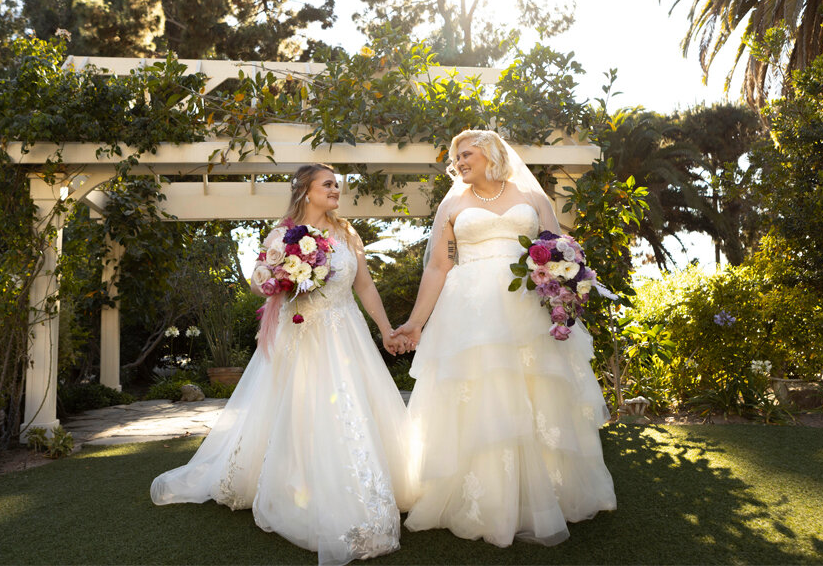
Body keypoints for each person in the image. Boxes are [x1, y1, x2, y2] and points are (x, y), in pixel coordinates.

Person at [151, 164, 414, 565]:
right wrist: (278, 276)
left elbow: (364, 285)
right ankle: (302, 488)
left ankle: (368, 483)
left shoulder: (347, 233)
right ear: (306, 191)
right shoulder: (281, 235)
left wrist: (385, 328)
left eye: (336, 185)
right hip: (301, 336)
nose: (335, 190)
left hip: (346, 334)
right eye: (328, 184)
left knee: (352, 407)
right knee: (303, 411)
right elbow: (259, 280)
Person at [391, 129, 616, 547]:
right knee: (484, 396)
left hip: (527, 307)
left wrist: (565, 292)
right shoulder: (454, 203)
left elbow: (561, 249)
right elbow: (439, 267)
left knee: (539, 396)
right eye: (456, 157)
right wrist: (416, 323)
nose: (459, 161)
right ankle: (487, 500)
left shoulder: (532, 199)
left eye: (467, 153)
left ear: (491, 154)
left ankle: (543, 496)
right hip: (471, 312)